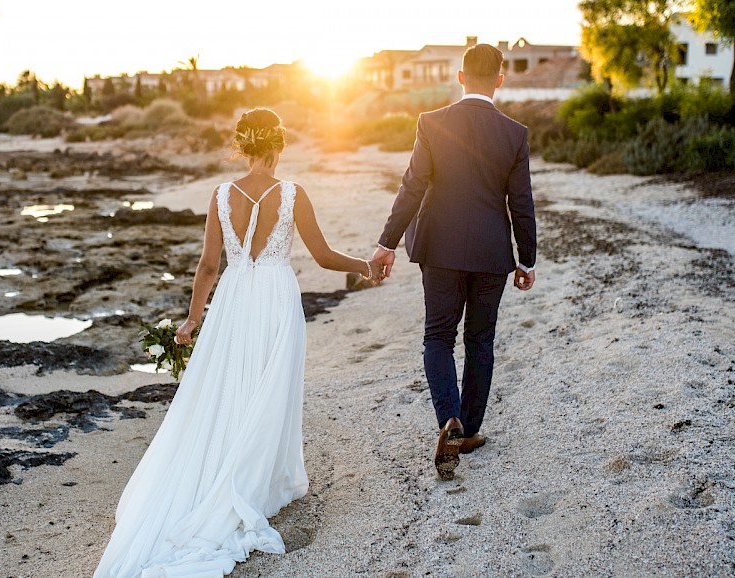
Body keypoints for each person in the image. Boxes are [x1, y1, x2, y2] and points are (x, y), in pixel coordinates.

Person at [94, 108, 382, 577]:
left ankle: (231, 472)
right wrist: (365, 266)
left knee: (228, 387)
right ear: (279, 146)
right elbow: (325, 256)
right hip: (275, 298)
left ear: (243, 147)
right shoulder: (292, 194)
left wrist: (191, 320)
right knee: (270, 388)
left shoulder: (221, 194)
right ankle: (260, 480)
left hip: (232, 299)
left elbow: (209, 266)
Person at [371, 42, 537, 481]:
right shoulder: (514, 133)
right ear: (500, 79)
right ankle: (468, 430)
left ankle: (450, 419)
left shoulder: (431, 123)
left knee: (438, 337)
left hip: (440, 250)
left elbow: (412, 187)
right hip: (491, 254)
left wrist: (386, 242)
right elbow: (521, 203)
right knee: (480, 340)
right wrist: (527, 259)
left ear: (460, 77)